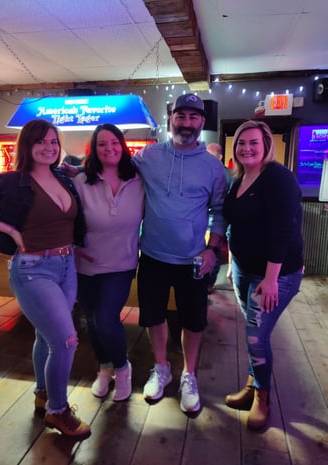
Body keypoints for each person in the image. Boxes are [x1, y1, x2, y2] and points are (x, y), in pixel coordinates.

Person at [0, 119, 91, 439]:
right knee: (66, 340)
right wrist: (6, 228)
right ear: (27, 146)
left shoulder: (64, 178)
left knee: (45, 338)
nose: (48, 147)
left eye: (52, 141)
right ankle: (58, 411)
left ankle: (43, 395)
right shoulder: (10, 181)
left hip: (66, 267)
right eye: (40, 142)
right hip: (32, 268)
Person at [132, 93, 228, 413]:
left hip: (193, 259)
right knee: (153, 316)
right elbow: (113, 170)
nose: (186, 123)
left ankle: (188, 375)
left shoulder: (213, 168)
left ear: (202, 122)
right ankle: (161, 369)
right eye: (181, 116)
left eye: (193, 118)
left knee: (194, 321)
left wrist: (212, 248)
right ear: (171, 118)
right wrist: (75, 171)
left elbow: (220, 212)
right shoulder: (148, 156)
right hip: (154, 256)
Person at [223, 120, 304, 431]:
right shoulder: (239, 178)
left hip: (276, 274)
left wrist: (271, 279)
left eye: (254, 142)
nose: (247, 148)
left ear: (267, 145)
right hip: (244, 268)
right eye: (242, 143)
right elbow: (235, 226)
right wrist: (232, 262)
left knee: (256, 335)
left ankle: (262, 398)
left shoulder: (278, 178)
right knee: (252, 332)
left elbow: (284, 230)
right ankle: (253, 384)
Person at [73, 123, 144, 402]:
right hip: (85, 264)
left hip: (121, 263)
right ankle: (104, 368)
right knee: (91, 320)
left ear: (122, 146)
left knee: (105, 319)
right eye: (102, 144)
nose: (109, 148)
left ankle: (123, 368)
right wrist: (73, 248)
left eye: (114, 142)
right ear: (94, 148)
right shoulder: (80, 181)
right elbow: (66, 217)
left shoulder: (140, 179)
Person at [206, 142, 232, 293]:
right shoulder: (202, 172)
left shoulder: (229, 175)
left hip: (219, 219)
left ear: (220, 156)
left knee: (213, 252)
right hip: (202, 220)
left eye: (211, 155)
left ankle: (209, 283)